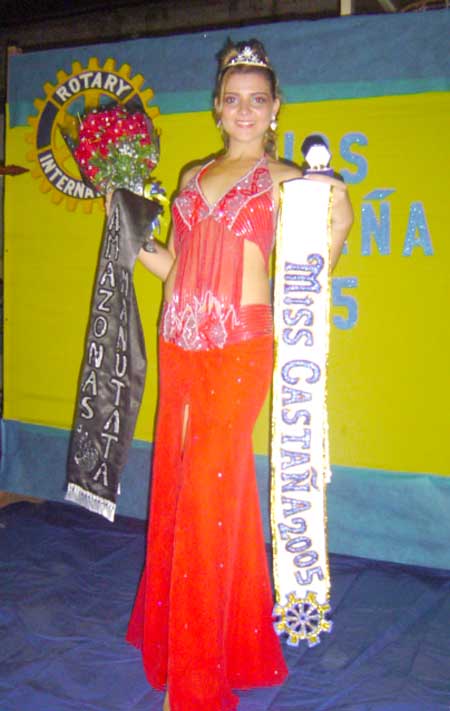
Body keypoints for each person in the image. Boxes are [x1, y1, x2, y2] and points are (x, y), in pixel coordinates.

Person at [123, 38, 353, 711]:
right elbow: (178, 268)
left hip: (239, 347)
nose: (244, 109)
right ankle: (218, 641)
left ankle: (197, 680)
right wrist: (138, 244)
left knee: (205, 496)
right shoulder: (191, 176)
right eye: (233, 99)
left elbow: (332, 226)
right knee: (181, 488)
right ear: (217, 108)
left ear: (275, 108)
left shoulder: (286, 180)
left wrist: (329, 217)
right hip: (180, 344)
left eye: (258, 99)